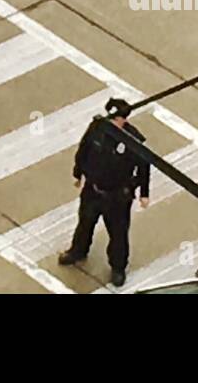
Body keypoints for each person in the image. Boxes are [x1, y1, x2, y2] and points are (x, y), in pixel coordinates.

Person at [58, 97, 150, 285]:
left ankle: (118, 268)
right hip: (93, 189)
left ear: (123, 119)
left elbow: (144, 167)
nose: (112, 122)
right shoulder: (97, 128)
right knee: (85, 222)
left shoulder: (133, 140)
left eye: (115, 119)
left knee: (118, 233)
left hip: (117, 196)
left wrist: (143, 193)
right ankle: (78, 251)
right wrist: (78, 172)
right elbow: (84, 149)